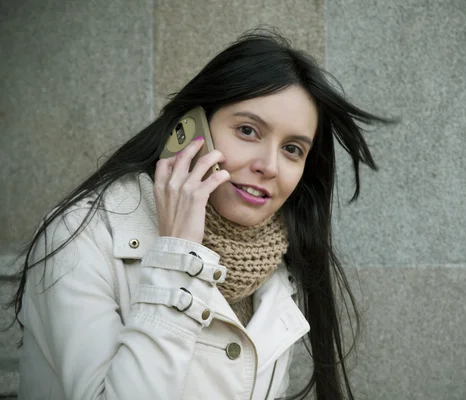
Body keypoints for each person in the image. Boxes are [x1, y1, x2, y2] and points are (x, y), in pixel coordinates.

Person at [10, 29, 390, 400]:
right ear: (188, 130)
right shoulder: (82, 236)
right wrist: (176, 257)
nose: (269, 165)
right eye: (248, 130)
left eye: (292, 149)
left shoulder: (275, 262)